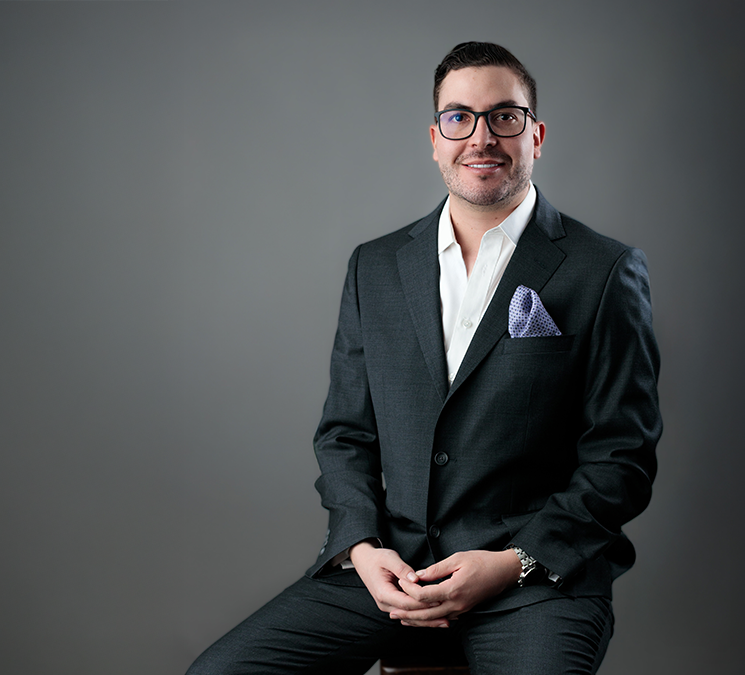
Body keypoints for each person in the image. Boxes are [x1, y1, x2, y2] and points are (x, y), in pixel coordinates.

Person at [187, 41, 662, 675]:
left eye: (505, 116)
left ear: (536, 135)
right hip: (393, 569)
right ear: (435, 139)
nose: (481, 137)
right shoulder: (375, 266)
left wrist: (512, 562)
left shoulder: (604, 269)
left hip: (534, 580)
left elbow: (621, 459)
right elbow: (345, 434)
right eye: (459, 117)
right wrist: (360, 548)